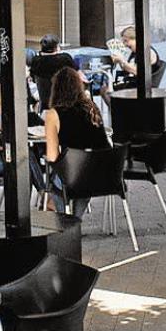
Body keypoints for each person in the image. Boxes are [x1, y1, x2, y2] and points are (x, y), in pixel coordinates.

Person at [40, 67, 110, 212]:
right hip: (104, 172)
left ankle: (66, 220)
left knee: (56, 177)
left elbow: (53, 157)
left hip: (75, 175)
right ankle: (76, 218)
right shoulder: (91, 107)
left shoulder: (53, 115)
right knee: (78, 171)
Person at [28, 34, 77, 109]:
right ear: (57, 47)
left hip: (45, 103)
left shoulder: (36, 61)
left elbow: (33, 79)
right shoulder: (65, 59)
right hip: (65, 103)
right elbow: (77, 77)